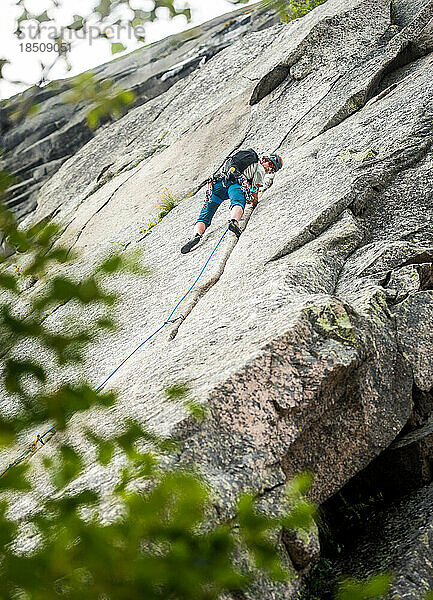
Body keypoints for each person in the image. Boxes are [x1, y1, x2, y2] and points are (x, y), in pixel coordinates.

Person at [180, 150, 283, 254]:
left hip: (218, 184)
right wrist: (254, 202)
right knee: (238, 202)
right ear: (265, 160)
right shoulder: (259, 168)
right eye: (270, 165)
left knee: (205, 215)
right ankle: (234, 222)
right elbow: (254, 191)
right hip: (235, 184)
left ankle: (197, 235)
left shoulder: (244, 162)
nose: (269, 169)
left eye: (272, 170)